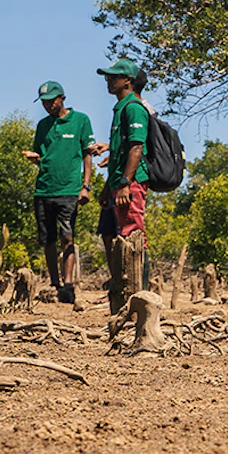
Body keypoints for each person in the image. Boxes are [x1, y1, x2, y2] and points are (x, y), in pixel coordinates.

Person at [23, 81, 95, 306]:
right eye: (44, 102)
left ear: (62, 98)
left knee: (67, 236)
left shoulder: (81, 121)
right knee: (48, 240)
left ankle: (68, 284)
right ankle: (54, 284)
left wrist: (86, 186)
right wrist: (36, 160)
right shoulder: (43, 125)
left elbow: (87, 155)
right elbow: (43, 156)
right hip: (44, 190)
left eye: (51, 101)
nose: (47, 105)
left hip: (69, 190)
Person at [95, 59, 151, 322]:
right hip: (119, 184)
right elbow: (118, 155)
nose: (109, 80)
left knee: (133, 235)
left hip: (132, 184)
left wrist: (127, 183)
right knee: (121, 236)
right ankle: (126, 298)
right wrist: (109, 187)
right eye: (108, 77)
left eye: (113, 77)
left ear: (127, 81)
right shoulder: (119, 109)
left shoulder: (133, 109)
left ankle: (140, 296)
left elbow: (136, 148)